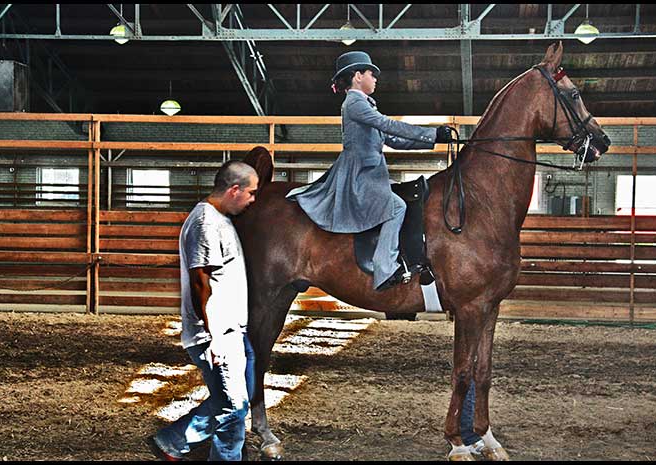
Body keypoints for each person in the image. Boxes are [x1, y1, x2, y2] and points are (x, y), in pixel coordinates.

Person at [286, 50, 453, 291]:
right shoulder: (354, 103)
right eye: (371, 74)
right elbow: (388, 124)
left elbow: (395, 141)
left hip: (371, 174)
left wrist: (433, 141)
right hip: (359, 175)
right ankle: (385, 268)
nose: (375, 78)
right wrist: (432, 131)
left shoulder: (364, 104)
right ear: (357, 76)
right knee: (397, 207)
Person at [148, 160, 259, 461]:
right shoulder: (206, 223)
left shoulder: (220, 219)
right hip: (218, 333)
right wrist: (215, 338)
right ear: (234, 190)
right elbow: (201, 283)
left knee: (235, 400)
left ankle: (172, 442)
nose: (252, 200)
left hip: (233, 330)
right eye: (251, 193)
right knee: (233, 407)